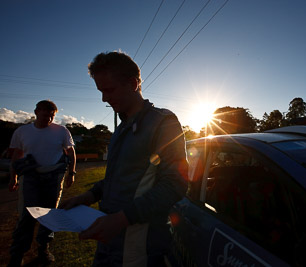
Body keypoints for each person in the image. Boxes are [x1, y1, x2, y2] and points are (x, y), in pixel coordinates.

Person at [61, 51, 188, 266]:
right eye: (100, 91)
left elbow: (175, 184)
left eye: (109, 90)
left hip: (139, 244)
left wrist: (122, 219)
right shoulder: (121, 127)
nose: (104, 98)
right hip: (110, 237)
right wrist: (88, 196)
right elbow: (117, 176)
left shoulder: (163, 122)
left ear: (133, 83)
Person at [7, 100, 76, 266]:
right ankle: (17, 254)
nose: (49, 119)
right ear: (37, 112)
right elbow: (17, 155)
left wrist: (71, 173)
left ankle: (43, 249)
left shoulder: (61, 131)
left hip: (53, 178)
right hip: (30, 178)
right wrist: (13, 177)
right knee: (27, 215)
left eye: (52, 116)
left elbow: (71, 151)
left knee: (49, 214)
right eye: (46, 115)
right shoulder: (22, 131)